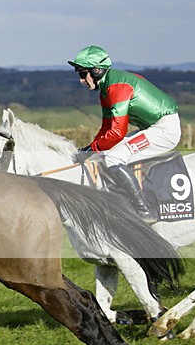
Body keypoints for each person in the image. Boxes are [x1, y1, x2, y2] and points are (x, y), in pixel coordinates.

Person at [69, 45, 181, 223]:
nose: (81, 80)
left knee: (113, 159)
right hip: (151, 127)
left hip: (164, 129)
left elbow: (117, 132)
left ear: (97, 71)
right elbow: (107, 127)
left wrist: (92, 149)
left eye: (83, 74)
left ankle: (144, 209)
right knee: (105, 155)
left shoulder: (116, 87)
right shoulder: (107, 88)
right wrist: (91, 148)